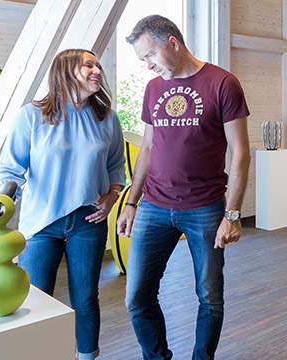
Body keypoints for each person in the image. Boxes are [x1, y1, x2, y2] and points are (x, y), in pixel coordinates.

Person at [117, 15, 250, 360]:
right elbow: (147, 149)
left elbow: (240, 153)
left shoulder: (223, 83)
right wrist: (131, 202)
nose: (147, 67)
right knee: (137, 297)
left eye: (150, 56)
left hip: (205, 208)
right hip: (154, 206)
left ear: (172, 43)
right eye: (142, 60)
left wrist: (232, 214)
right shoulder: (153, 88)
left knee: (209, 297)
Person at [0, 48, 125, 360]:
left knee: (85, 299)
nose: (97, 71)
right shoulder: (31, 115)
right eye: (88, 65)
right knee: (36, 300)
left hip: (87, 222)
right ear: (66, 71)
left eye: (98, 65)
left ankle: (87, 356)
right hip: (41, 224)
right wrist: (0, 205)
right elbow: (11, 170)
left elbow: (116, 166)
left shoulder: (106, 119)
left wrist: (112, 196)